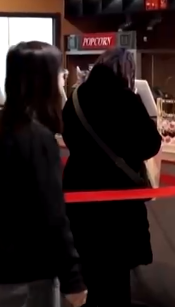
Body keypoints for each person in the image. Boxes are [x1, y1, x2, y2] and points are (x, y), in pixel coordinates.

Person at [0, 41, 87, 307]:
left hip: (1, 266)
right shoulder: (38, 139)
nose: (64, 78)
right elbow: (52, 213)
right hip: (31, 270)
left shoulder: (2, 131)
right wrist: (73, 278)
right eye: (60, 72)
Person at [61, 48, 162, 306]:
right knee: (115, 279)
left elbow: (68, 135)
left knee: (90, 270)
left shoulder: (75, 97)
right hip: (117, 204)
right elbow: (150, 144)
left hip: (79, 194)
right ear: (127, 71)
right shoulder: (126, 100)